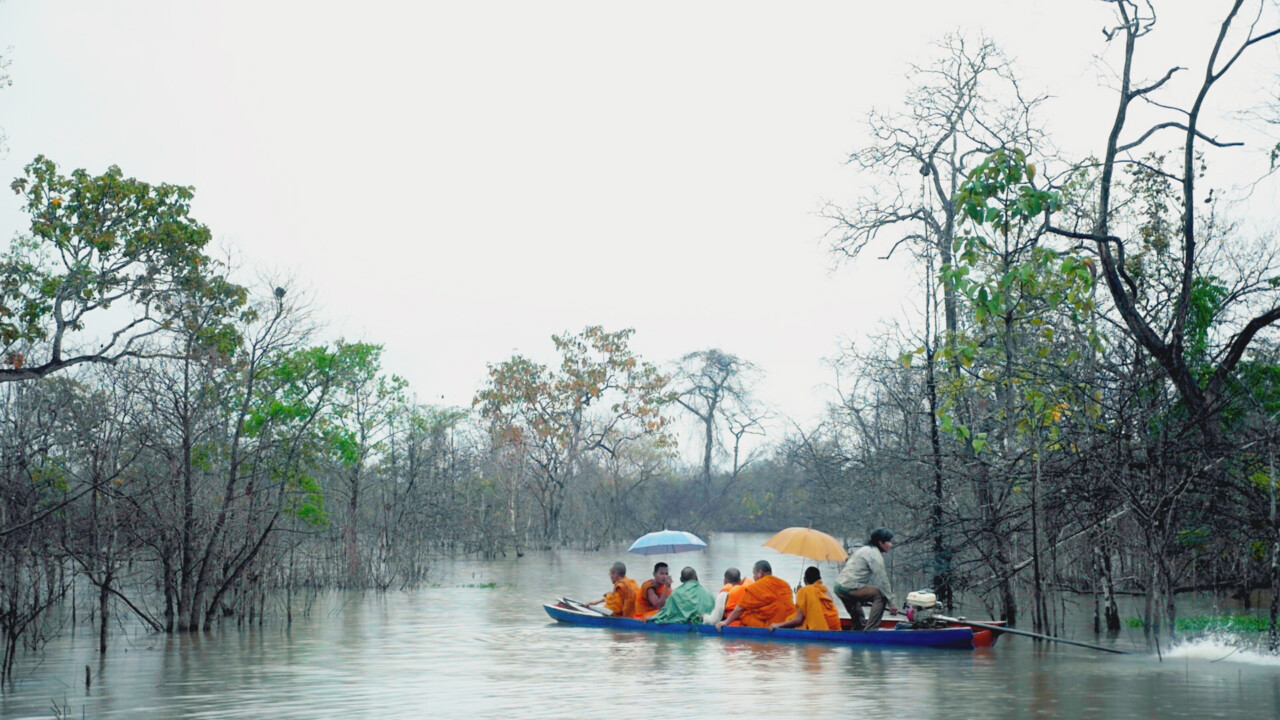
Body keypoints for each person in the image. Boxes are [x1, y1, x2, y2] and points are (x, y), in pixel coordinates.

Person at [833, 528, 899, 631]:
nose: (890, 545)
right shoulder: (874, 555)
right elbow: (883, 581)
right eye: (889, 542)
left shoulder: (864, 549)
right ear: (880, 542)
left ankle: (857, 634)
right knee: (880, 595)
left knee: (858, 619)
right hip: (849, 587)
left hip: (839, 586)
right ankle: (871, 629)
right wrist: (892, 603)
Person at [715, 560, 794, 630]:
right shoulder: (784, 584)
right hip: (789, 621)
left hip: (773, 623)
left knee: (745, 615)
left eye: (754, 574)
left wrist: (726, 622)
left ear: (759, 573)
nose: (754, 577)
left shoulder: (758, 585)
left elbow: (740, 608)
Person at [770, 566, 840, 631]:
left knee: (791, 619)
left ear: (805, 580)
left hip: (821, 629)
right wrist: (800, 594)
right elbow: (816, 608)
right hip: (835, 626)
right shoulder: (825, 590)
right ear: (819, 579)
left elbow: (799, 619)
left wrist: (778, 625)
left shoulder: (805, 591)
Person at [646, 567, 715, 624]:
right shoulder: (709, 594)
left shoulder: (676, 593)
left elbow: (666, 612)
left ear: (681, 579)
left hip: (689, 623)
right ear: (696, 578)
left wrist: (652, 617)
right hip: (706, 621)